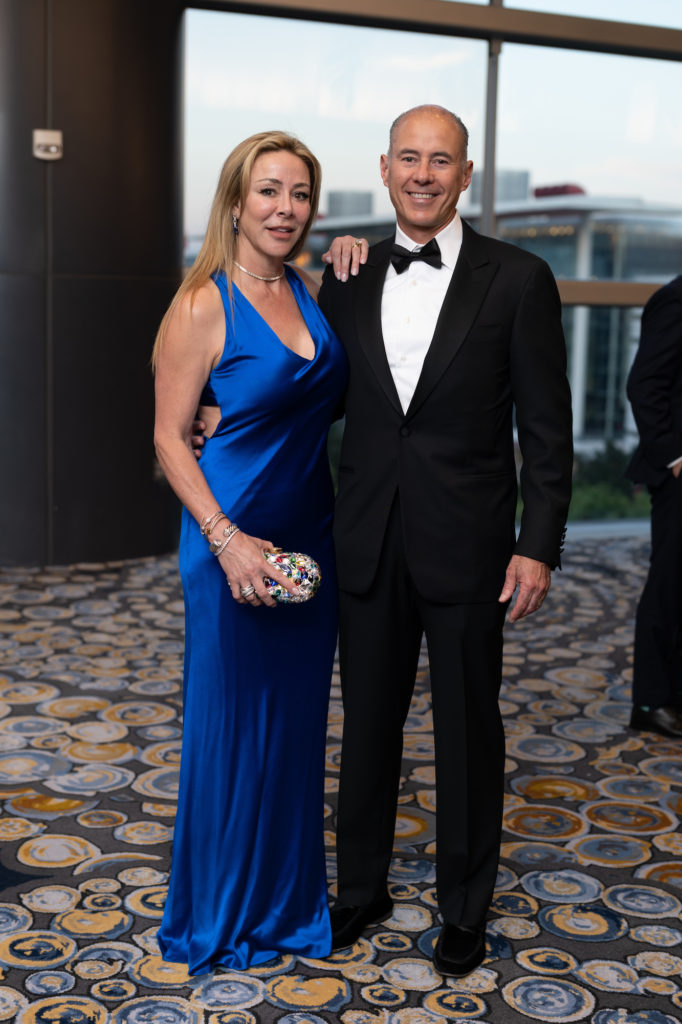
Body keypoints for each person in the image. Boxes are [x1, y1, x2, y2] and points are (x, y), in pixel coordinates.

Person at [319, 105, 573, 978]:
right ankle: (361, 890)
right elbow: (310, 391)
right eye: (408, 160)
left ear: (467, 176)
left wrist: (537, 544)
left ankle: (464, 906)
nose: (423, 175)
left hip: (470, 546)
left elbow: (547, 429)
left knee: (468, 732)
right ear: (384, 171)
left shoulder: (519, 278)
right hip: (367, 538)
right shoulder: (344, 273)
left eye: (442, 161)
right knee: (368, 730)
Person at [152, 130, 349, 973]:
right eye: (268, 191)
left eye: (300, 195)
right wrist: (226, 540)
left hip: (308, 541)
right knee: (232, 734)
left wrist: (358, 251)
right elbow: (167, 437)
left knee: (296, 733)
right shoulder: (203, 301)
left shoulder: (307, 287)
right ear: (235, 200)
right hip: (228, 541)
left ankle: (282, 910)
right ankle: (219, 916)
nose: (285, 209)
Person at [625, 275, 682, 739]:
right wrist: (675, 458)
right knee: (670, 586)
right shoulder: (675, 298)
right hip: (678, 475)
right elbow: (643, 384)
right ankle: (651, 701)